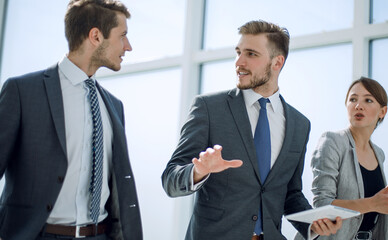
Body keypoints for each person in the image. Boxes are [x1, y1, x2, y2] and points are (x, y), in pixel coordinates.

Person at [161, 20, 342, 240]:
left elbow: (290, 193)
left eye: (251, 54)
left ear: (277, 62)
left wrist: (312, 224)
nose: (239, 62)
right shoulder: (209, 108)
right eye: (238, 52)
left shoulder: (299, 124)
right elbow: (170, 179)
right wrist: (198, 171)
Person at [0, 0, 142, 239]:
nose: (128, 46)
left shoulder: (114, 106)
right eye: (123, 36)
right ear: (96, 36)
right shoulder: (22, 92)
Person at [302, 77, 388, 239]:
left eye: (368, 100)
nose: (358, 105)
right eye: (353, 99)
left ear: (382, 112)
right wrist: (372, 203)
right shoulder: (332, 141)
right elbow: (322, 204)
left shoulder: (379, 153)